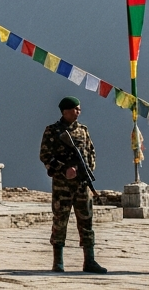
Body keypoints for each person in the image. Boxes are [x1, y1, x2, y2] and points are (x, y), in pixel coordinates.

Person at [39, 96, 105, 274]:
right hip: (63, 186)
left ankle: (89, 261)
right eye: (76, 109)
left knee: (86, 222)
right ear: (65, 111)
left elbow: (91, 153)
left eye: (79, 109)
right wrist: (64, 169)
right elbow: (45, 155)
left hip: (82, 184)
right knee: (60, 221)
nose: (79, 111)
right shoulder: (53, 131)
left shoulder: (83, 131)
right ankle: (58, 261)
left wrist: (85, 169)